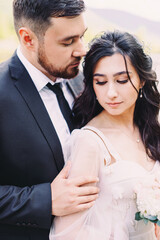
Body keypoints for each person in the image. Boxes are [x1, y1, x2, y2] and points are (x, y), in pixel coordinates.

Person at [0, 0, 99, 239]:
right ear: (28, 39)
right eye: (68, 41)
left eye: (82, 36)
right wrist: (46, 200)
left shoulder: (83, 77)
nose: (82, 50)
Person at [49, 30, 160, 239]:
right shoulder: (90, 142)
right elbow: (69, 232)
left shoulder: (149, 129)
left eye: (122, 80)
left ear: (142, 80)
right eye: (100, 82)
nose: (111, 93)